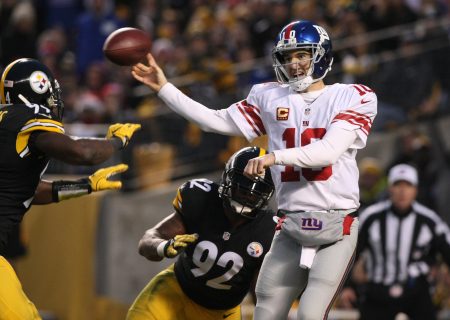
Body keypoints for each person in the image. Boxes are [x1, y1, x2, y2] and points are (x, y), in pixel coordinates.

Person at [132, 19, 377, 319]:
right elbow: (214, 120)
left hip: (336, 226)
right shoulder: (270, 96)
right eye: (288, 57)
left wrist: (274, 158)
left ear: (321, 54)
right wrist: (165, 88)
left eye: (302, 54)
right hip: (289, 226)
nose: (295, 64)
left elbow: (328, 152)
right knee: (265, 311)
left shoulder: (354, 95)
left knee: (310, 314)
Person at [0, 57, 141, 320]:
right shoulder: (28, 118)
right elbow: (82, 152)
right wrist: (116, 142)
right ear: (37, 88)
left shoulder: (6, 123)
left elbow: (27, 189)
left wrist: (83, 186)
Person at [127, 147, 276, 320]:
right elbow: (147, 242)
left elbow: (261, 295)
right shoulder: (202, 199)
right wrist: (163, 247)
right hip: (173, 294)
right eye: (242, 189)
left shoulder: (268, 230)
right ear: (229, 180)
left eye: (254, 194)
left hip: (221, 313)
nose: (247, 197)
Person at [339, 164, 450, 320]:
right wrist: (347, 287)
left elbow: (446, 249)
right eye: (398, 184)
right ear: (390, 188)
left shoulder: (429, 220)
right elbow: (351, 253)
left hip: (417, 291)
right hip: (378, 291)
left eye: (408, 185)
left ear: (415, 190)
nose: (402, 191)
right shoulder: (371, 217)